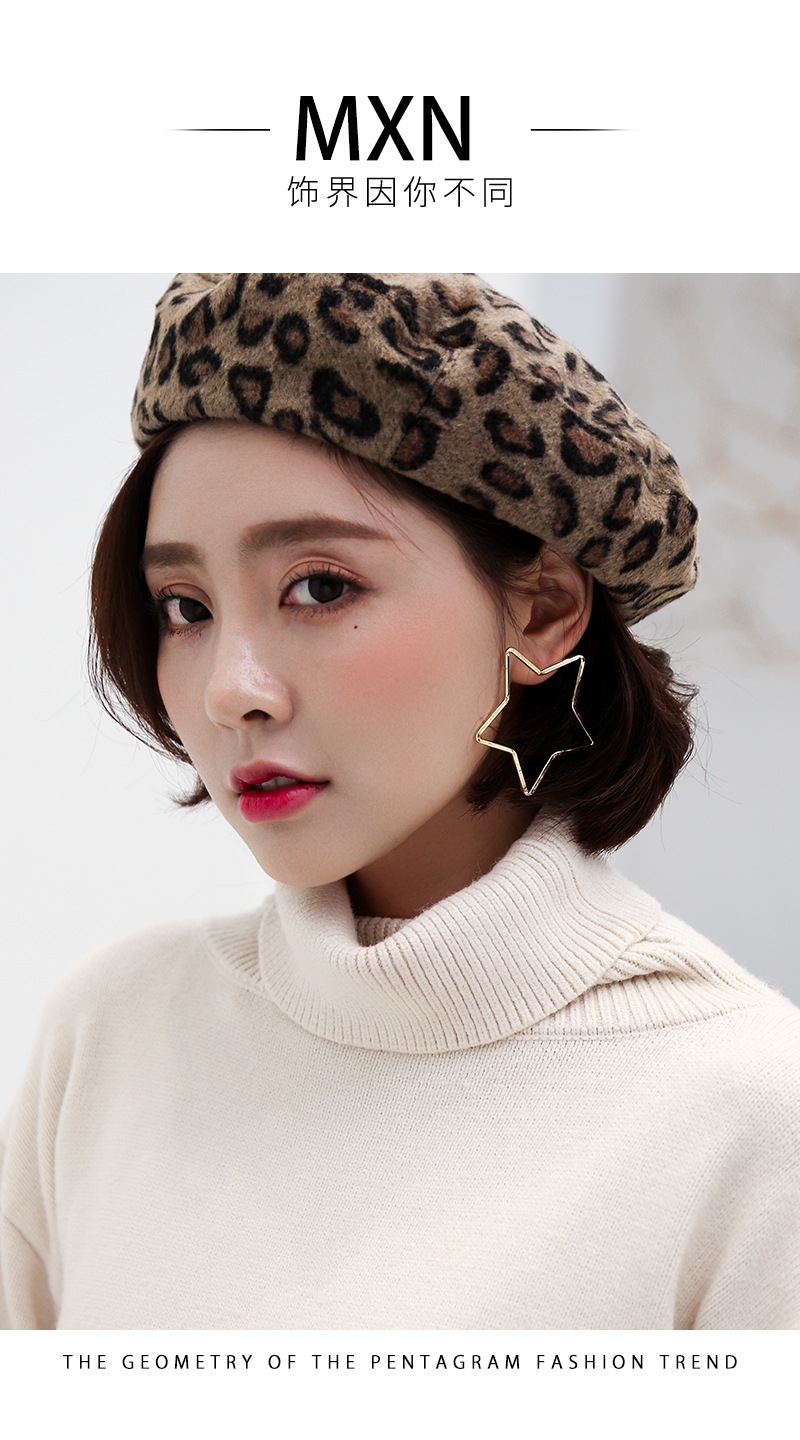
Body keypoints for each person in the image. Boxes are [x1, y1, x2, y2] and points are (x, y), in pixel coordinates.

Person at [1, 272, 798, 1330]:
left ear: (543, 610)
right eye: (184, 608)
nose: (232, 689)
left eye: (320, 587)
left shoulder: (747, 1112)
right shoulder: (111, 1034)